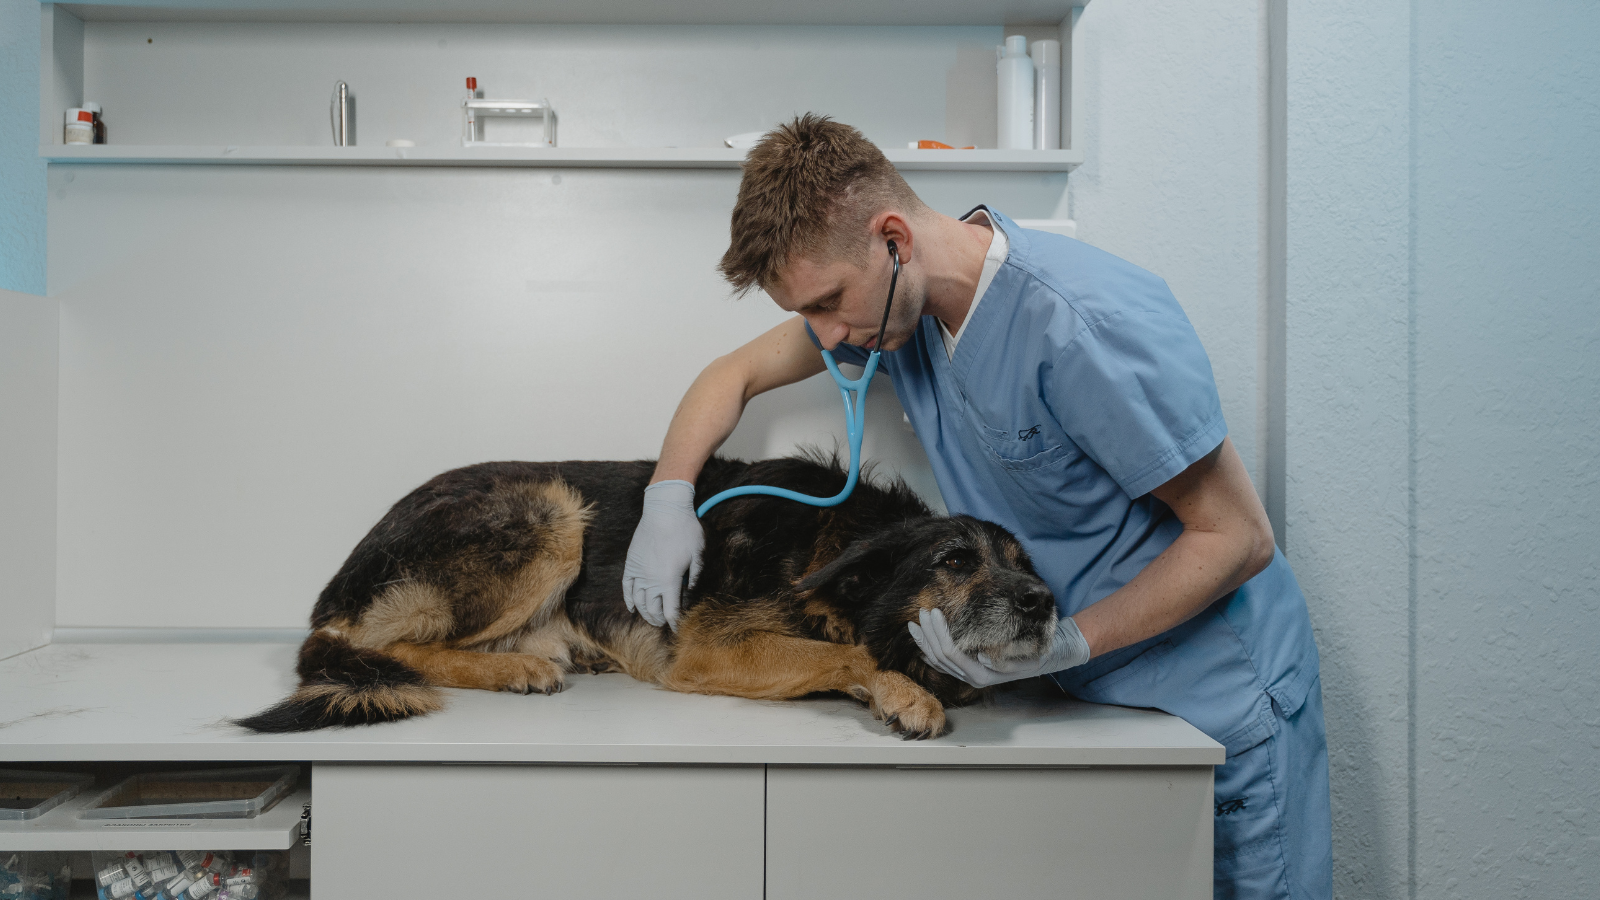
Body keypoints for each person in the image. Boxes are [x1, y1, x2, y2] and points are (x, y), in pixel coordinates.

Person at [621, 114, 1331, 899]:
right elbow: (732, 375)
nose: (826, 335)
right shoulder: (902, 312)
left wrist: (1070, 644)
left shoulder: (1083, 323)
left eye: (827, 302)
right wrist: (668, 495)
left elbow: (1237, 537)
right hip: (1082, 702)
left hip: (1209, 697)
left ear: (893, 239)